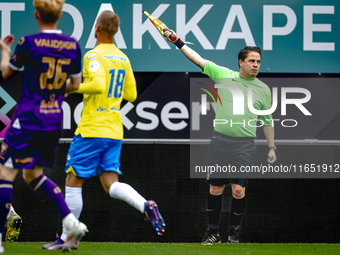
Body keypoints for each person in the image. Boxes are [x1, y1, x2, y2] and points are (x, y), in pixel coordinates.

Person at [42, 10, 165, 250]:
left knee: (73, 180)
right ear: (116, 31)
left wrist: (66, 87)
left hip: (92, 128)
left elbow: (97, 84)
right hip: (114, 130)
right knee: (110, 183)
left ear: (97, 28)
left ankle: (68, 238)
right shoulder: (123, 57)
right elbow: (130, 94)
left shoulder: (93, 55)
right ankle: (145, 205)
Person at [164, 30, 277, 244]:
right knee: (216, 188)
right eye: (251, 61)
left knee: (237, 190)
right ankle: (213, 232)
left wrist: (272, 148)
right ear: (240, 62)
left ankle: (233, 234)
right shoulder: (223, 74)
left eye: (259, 61)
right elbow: (197, 59)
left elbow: (268, 121)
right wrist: (177, 41)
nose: (256, 64)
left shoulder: (263, 90)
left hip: (245, 145)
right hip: (220, 141)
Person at [0, 0, 88, 253]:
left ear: (37, 14)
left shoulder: (28, 43)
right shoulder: (72, 45)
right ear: (60, 15)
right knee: (32, 175)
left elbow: (6, 73)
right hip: (52, 120)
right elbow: (74, 85)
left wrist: (5, 51)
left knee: (5, 174)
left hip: (28, 118)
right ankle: (71, 222)